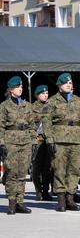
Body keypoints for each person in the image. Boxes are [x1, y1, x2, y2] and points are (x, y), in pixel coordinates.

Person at [43, 73, 80, 212]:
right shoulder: (52, 102)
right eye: (66, 83)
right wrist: (49, 140)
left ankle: (70, 198)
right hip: (59, 139)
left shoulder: (79, 101)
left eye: (70, 82)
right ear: (59, 85)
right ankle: (61, 199)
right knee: (59, 169)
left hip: (75, 139)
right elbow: (46, 122)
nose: (69, 85)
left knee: (74, 170)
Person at [0, 76, 36, 214]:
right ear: (10, 90)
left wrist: (34, 142)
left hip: (25, 142)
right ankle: (11, 202)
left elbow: (32, 126)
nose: (20, 89)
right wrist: (1, 143)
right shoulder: (4, 106)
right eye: (17, 87)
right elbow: (1, 126)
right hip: (11, 142)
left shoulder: (27, 106)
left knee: (22, 172)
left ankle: (20, 202)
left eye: (21, 86)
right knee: (12, 173)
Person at [32, 85, 53, 201]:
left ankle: (46, 190)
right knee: (37, 167)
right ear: (37, 95)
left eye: (47, 93)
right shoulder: (32, 107)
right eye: (43, 93)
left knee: (47, 167)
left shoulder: (51, 106)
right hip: (37, 140)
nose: (45, 95)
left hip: (48, 140)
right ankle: (38, 191)